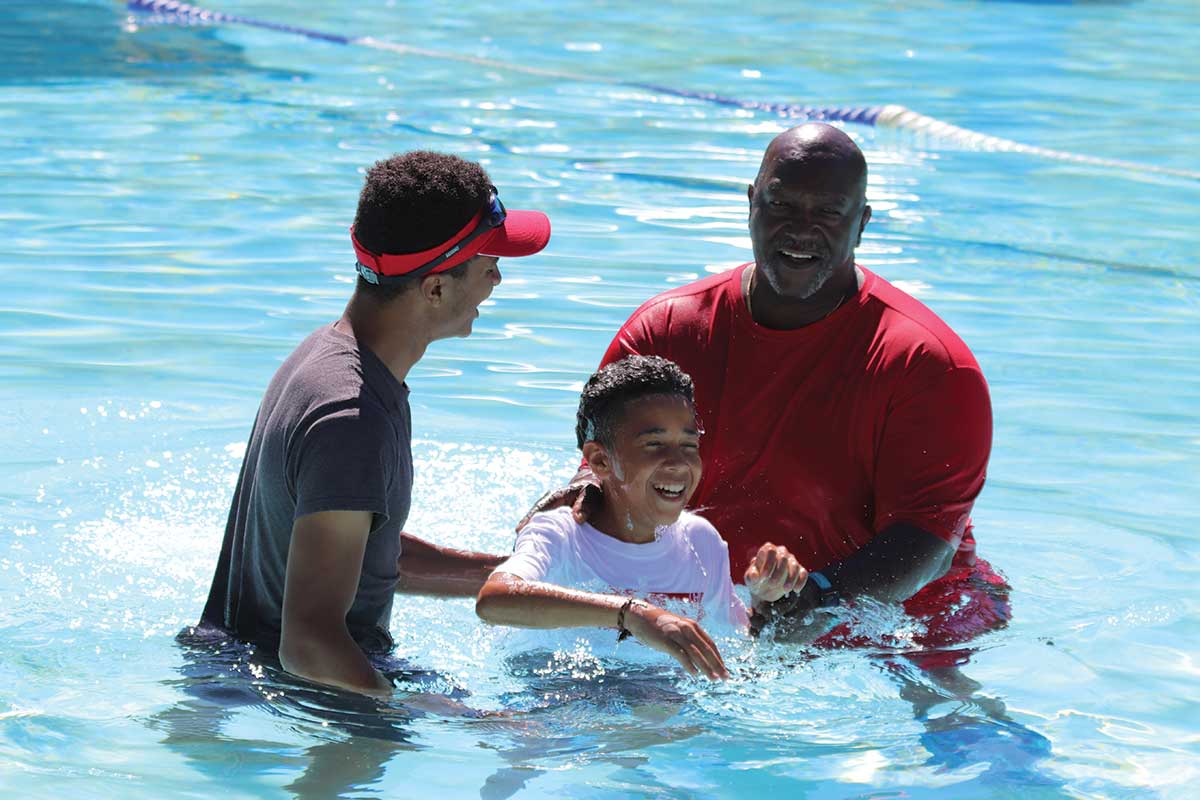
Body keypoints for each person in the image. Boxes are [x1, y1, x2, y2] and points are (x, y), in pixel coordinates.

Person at [527, 122, 1006, 647]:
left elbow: (928, 541)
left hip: (912, 622)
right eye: (781, 205)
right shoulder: (667, 330)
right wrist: (578, 501)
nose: (801, 229)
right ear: (751, 203)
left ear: (862, 223)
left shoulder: (927, 364)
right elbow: (607, 471)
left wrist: (821, 599)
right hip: (728, 607)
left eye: (828, 212)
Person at [196, 150, 551, 695]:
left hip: (252, 675)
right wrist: (417, 716)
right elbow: (310, 644)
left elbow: (358, 547)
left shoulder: (334, 357)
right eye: (487, 262)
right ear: (435, 288)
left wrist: (513, 573)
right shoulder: (352, 418)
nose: (498, 278)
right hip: (299, 696)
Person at [477, 355, 805, 681]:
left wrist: (767, 599)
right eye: (654, 445)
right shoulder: (562, 535)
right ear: (600, 460)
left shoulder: (700, 541)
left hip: (654, 703)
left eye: (689, 445)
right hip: (554, 697)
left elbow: (736, 644)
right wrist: (631, 614)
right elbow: (494, 600)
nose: (678, 463)